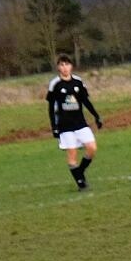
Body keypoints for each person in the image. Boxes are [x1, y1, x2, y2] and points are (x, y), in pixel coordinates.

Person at [46, 54, 102, 191]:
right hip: (65, 126)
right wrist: (54, 127)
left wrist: (96, 116)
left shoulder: (78, 82)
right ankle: (80, 183)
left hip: (80, 123)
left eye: (67, 64)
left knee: (92, 148)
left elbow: (85, 101)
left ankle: (80, 171)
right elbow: (51, 108)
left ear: (71, 66)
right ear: (58, 67)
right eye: (61, 65)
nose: (64, 68)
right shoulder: (55, 84)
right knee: (72, 154)